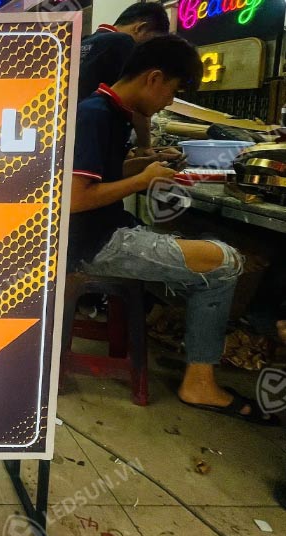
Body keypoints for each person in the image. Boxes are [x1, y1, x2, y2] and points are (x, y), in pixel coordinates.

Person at [68, 35, 279, 426]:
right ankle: (199, 383)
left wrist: (145, 166)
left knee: (216, 260)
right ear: (154, 78)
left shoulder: (112, 111)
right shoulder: (95, 114)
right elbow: (75, 199)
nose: (169, 101)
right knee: (225, 263)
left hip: (110, 230)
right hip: (94, 244)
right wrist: (141, 179)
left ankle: (195, 361)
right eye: (173, 91)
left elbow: (102, 176)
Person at [79, 2, 172, 155]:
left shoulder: (85, 42)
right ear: (140, 28)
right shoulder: (123, 42)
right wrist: (145, 147)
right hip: (94, 138)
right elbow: (136, 98)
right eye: (151, 42)